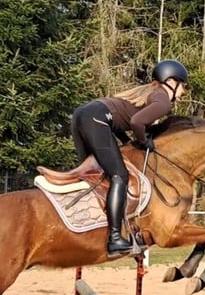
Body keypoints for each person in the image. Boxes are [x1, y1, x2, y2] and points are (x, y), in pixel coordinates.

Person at [70, 59, 189, 257]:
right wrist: (143, 142)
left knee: (95, 176)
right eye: (183, 86)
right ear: (171, 81)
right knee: (120, 176)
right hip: (96, 118)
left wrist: (127, 141)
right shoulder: (163, 100)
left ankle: (89, 226)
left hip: (83, 115)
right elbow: (136, 122)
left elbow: (120, 120)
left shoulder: (149, 94)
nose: (183, 93)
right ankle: (115, 238)